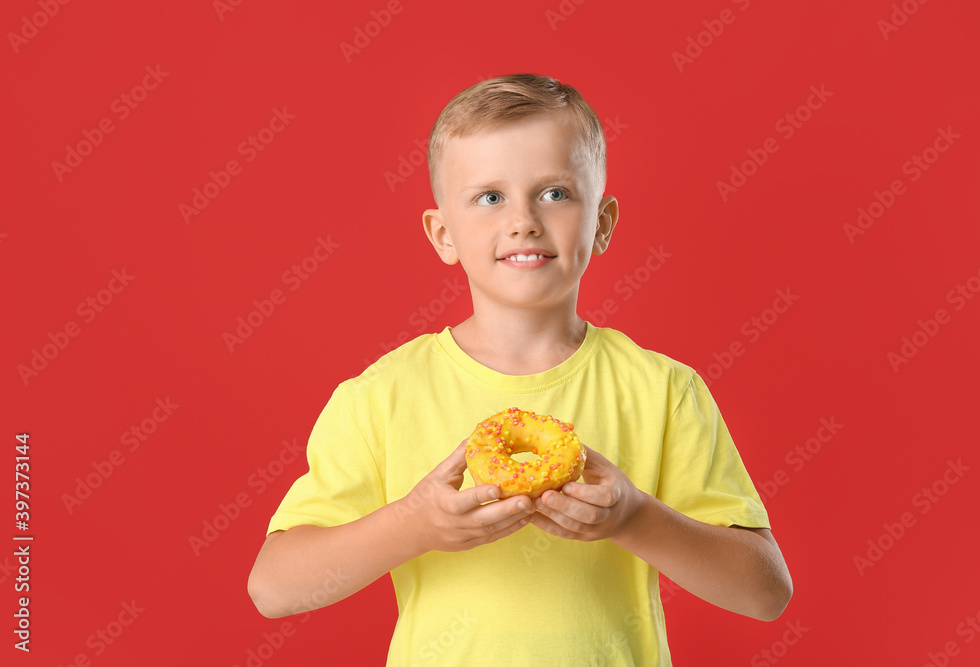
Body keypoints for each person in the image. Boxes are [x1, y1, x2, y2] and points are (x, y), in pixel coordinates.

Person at [248, 73, 793, 666]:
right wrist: (415, 524)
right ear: (443, 234)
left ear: (603, 222)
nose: (524, 220)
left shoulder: (663, 391)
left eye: (555, 193)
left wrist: (635, 518)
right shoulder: (380, 397)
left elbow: (764, 593)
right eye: (489, 197)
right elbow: (274, 589)